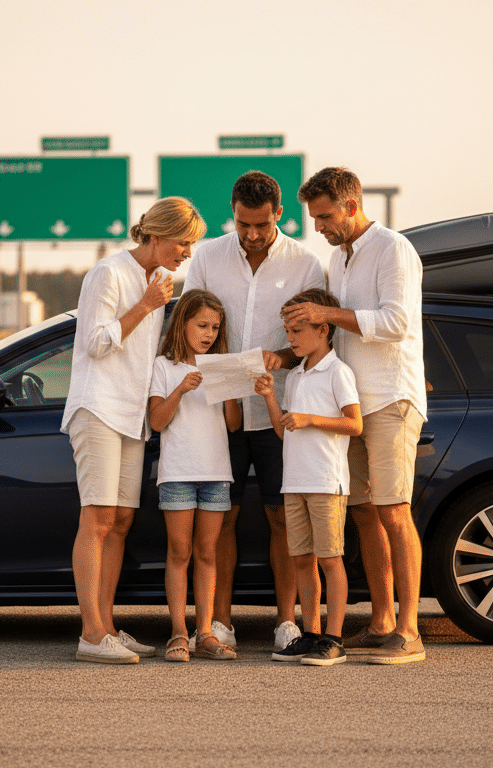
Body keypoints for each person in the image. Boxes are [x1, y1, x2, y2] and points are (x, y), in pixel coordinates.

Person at [284, 167, 429, 665]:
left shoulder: (393, 250)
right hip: (353, 407)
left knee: (393, 510)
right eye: (314, 217)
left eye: (324, 216)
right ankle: (382, 621)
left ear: (350, 205)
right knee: (365, 513)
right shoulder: (337, 258)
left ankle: (409, 633)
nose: (318, 226)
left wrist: (328, 315)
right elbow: (336, 339)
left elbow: (397, 322)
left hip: (390, 400)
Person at [185, 170, 326, 653]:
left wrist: (281, 358)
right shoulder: (207, 256)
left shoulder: (306, 264)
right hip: (218, 410)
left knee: (282, 516)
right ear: (234, 212)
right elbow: (190, 325)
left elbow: (313, 337)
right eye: (243, 224)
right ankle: (220, 622)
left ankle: (286, 622)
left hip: (278, 411)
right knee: (221, 516)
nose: (250, 234)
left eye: (260, 225)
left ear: (278, 216)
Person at [63, 196, 206, 664]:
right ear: (158, 234)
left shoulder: (159, 282)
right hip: (99, 409)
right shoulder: (109, 273)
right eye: (183, 243)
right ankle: (90, 633)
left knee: (121, 522)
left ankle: (106, 626)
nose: (187, 253)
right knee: (98, 519)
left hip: (132, 417)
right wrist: (145, 306)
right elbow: (96, 342)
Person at [256, 288, 361, 666]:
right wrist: (270, 397)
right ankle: (312, 633)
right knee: (301, 559)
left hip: (325, 482)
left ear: (323, 328)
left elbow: (355, 424)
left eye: (297, 330)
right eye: (287, 331)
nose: (289, 339)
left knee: (331, 560)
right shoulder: (297, 375)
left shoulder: (338, 372)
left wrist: (311, 419)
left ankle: (334, 639)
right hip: (295, 483)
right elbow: (285, 430)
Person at [148, 290, 242, 662]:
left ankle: (205, 632)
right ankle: (178, 632)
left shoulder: (221, 364)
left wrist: (232, 392)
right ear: (182, 323)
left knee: (207, 553)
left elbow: (233, 425)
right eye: (201, 325)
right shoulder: (163, 366)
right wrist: (181, 388)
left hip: (217, 472)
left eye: (215, 327)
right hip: (178, 472)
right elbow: (157, 421)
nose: (208, 333)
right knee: (180, 552)